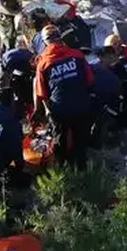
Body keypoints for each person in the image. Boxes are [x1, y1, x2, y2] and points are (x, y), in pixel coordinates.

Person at [34, 24, 94, 169]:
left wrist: (48, 112)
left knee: (59, 139)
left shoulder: (43, 63)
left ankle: (60, 168)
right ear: (60, 37)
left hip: (59, 109)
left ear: (45, 42)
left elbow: (42, 93)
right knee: (80, 138)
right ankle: (81, 167)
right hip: (81, 105)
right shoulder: (77, 55)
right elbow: (90, 80)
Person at [87, 52, 122, 148]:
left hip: (103, 96)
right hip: (114, 93)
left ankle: (95, 144)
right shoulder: (99, 66)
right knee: (103, 119)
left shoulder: (87, 68)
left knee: (98, 120)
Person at [0, 37, 36, 119]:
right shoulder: (11, 60)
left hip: (21, 70)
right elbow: (6, 77)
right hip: (5, 64)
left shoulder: (30, 56)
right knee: (5, 91)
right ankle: (7, 112)